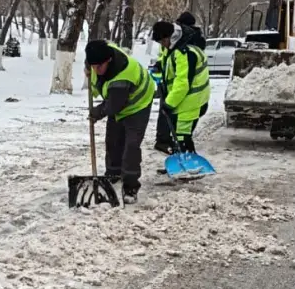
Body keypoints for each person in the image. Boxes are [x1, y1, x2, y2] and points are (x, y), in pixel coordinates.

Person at [85, 40, 155, 204]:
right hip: (117, 101)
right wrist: (89, 68)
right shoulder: (99, 55)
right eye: (92, 65)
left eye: (99, 67)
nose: (96, 70)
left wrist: (97, 112)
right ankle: (113, 173)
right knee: (113, 140)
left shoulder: (123, 75)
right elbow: (99, 79)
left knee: (131, 145)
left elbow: (113, 105)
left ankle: (130, 186)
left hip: (138, 105)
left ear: (108, 61)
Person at [151, 21, 210, 153]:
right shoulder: (176, 46)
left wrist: (169, 104)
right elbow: (168, 60)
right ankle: (182, 163)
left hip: (190, 102)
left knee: (182, 137)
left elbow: (182, 84)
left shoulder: (184, 53)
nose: (162, 45)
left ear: (169, 37)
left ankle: (188, 166)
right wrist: (160, 65)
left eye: (162, 41)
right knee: (179, 137)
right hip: (184, 101)